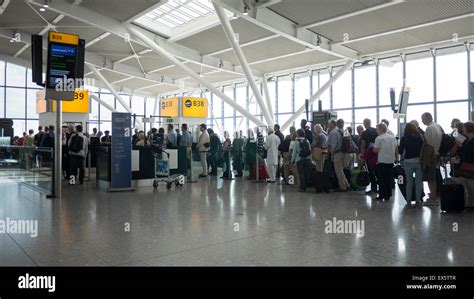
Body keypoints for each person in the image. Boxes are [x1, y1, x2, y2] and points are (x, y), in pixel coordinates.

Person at [399, 123, 424, 205]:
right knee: (418, 182)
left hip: (408, 160)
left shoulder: (403, 138)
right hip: (418, 160)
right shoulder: (420, 137)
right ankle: (418, 200)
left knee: (409, 182)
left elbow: (400, 151)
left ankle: (408, 200)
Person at [421, 112, 443, 206]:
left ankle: (433, 199)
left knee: (431, 178)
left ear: (428, 117)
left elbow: (427, 142)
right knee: (434, 176)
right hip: (437, 153)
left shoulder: (429, 128)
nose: (422, 121)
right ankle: (434, 196)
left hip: (430, 155)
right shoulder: (437, 126)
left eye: (423, 118)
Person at [373, 123, 398, 201]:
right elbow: (396, 148)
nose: (376, 130)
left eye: (377, 129)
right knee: (388, 178)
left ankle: (381, 195)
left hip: (382, 160)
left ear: (380, 129)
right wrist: (396, 158)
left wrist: (373, 149)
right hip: (391, 160)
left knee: (381, 179)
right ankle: (388, 195)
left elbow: (376, 150)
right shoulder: (392, 137)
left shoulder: (379, 138)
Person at [328, 119, 350, 192]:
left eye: (329, 124)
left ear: (335, 124)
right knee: (341, 170)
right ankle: (347, 185)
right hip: (346, 152)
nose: (328, 125)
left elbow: (333, 145)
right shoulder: (345, 131)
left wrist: (331, 154)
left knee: (338, 171)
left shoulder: (333, 132)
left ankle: (343, 187)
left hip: (337, 153)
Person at [457, 122, 474, 211]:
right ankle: (470, 204)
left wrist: (461, 147)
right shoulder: (469, 140)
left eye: (464, 128)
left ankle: (471, 203)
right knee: (469, 186)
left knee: (471, 186)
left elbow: (468, 152)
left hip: (470, 166)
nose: (462, 129)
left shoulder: (471, 141)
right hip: (468, 166)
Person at [359, 118, 378, 195]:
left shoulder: (365, 133)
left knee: (371, 171)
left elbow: (363, 144)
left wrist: (362, 156)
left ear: (364, 124)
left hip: (369, 154)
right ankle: (380, 187)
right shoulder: (376, 131)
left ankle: (373, 188)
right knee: (377, 171)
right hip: (377, 153)